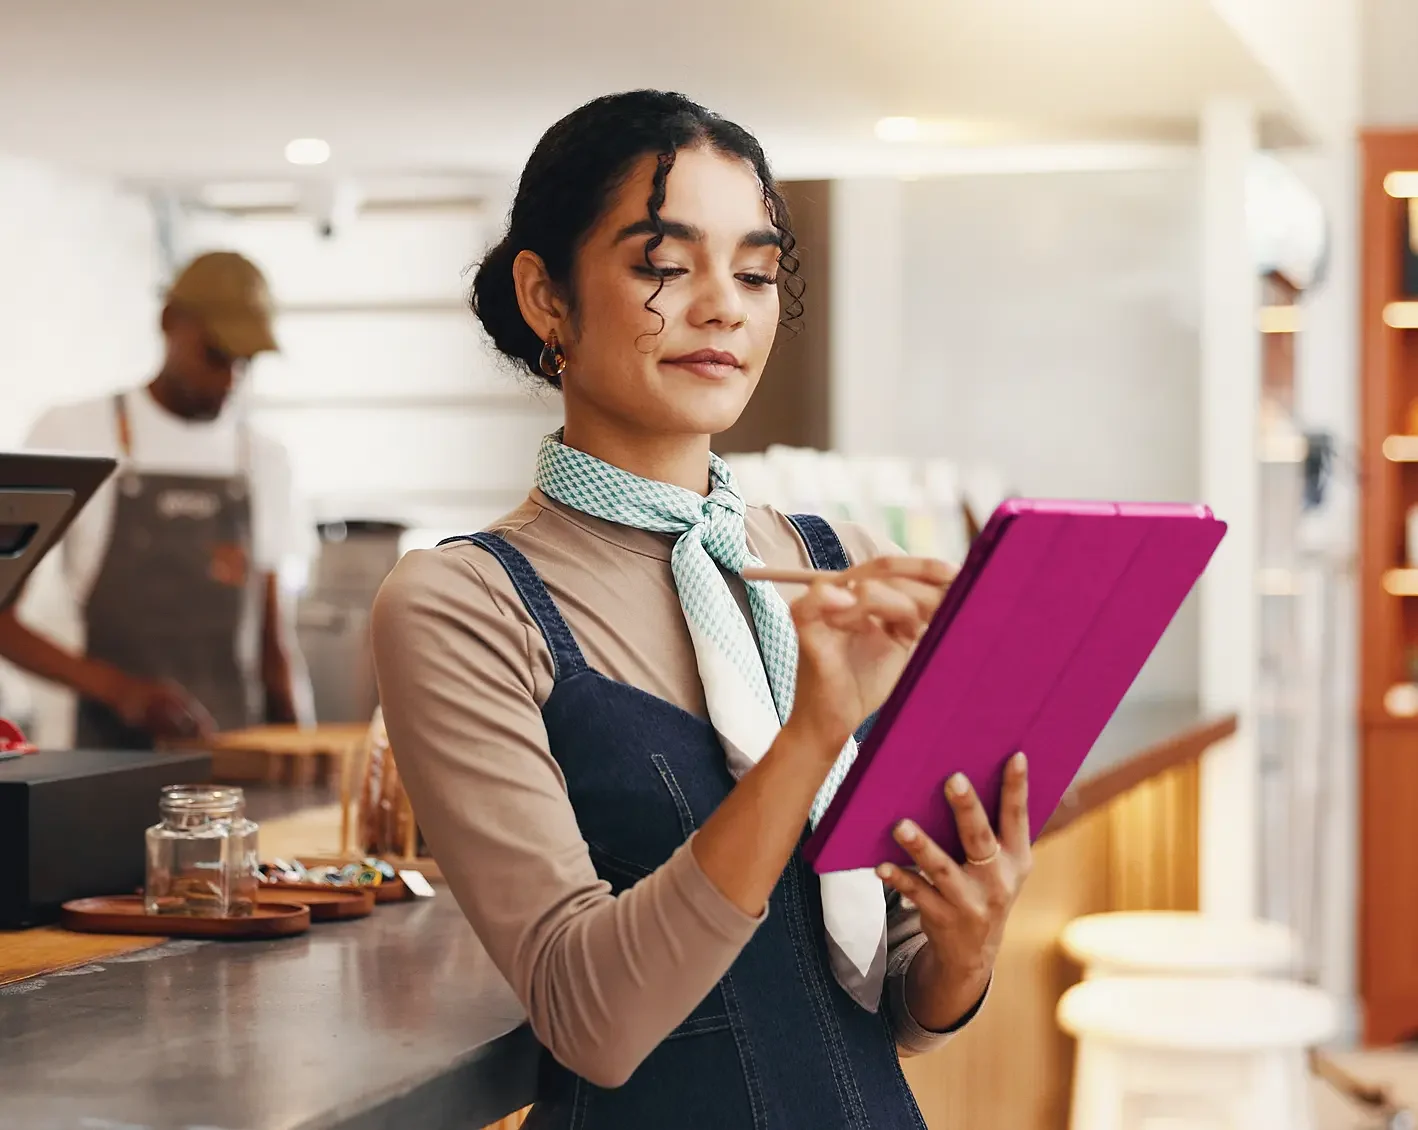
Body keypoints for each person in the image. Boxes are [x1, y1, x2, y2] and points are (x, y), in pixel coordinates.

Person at [370, 91, 1033, 1129]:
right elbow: (588, 1015)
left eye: (757, 271)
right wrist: (812, 732)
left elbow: (899, 998)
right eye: (664, 266)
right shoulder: (463, 603)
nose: (725, 305)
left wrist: (966, 940)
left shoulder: (833, 561)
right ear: (545, 296)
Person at [0, 251, 310, 749]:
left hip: (232, 765)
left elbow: (274, 644)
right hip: (103, 760)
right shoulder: (75, 433)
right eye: (216, 354)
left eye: (244, 362)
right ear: (169, 324)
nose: (230, 379)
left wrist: (301, 754)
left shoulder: (263, 460)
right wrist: (121, 690)